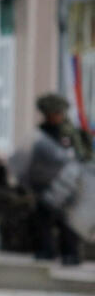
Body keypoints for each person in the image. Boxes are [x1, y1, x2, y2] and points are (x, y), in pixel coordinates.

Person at [31, 93, 93, 266]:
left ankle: (71, 254)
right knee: (43, 217)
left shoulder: (71, 132)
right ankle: (45, 251)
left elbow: (81, 157)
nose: (53, 117)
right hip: (47, 182)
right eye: (49, 114)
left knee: (68, 221)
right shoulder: (42, 131)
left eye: (56, 113)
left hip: (69, 183)